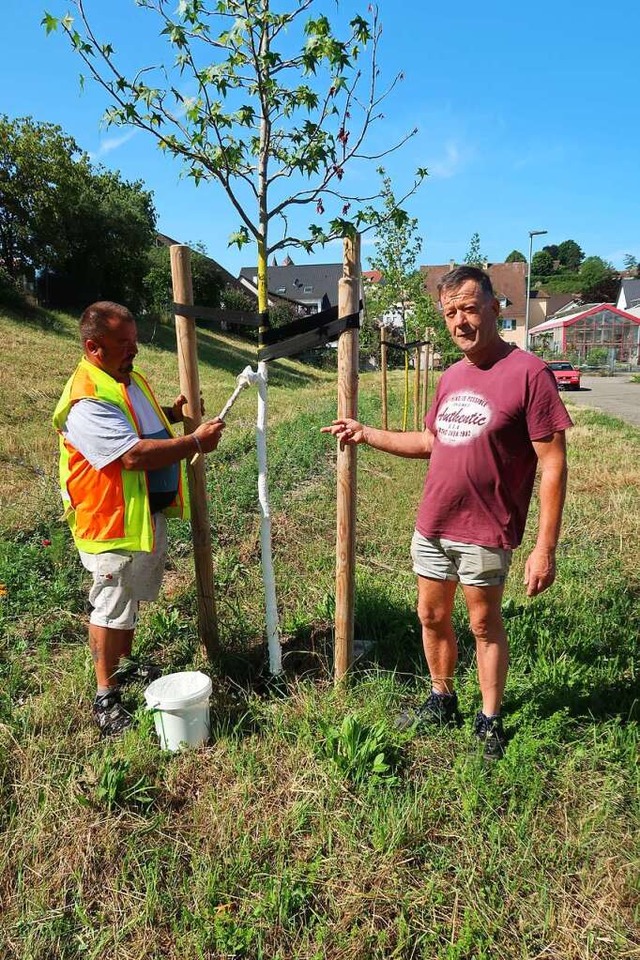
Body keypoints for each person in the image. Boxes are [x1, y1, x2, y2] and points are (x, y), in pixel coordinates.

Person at [322, 266, 572, 759]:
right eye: (450, 312)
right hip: (434, 522)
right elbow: (432, 442)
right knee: (431, 615)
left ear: (495, 308)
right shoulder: (452, 375)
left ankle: (490, 717)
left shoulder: (530, 375)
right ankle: (442, 697)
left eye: (469, 308)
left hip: (486, 527)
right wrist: (365, 432)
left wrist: (545, 548)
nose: (459, 321)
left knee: (483, 624)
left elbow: (553, 464)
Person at [53, 301, 225, 737]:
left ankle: (124, 667)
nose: (134, 351)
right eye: (123, 344)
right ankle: (105, 695)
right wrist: (194, 443)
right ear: (93, 347)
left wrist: (170, 414)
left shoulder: (126, 380)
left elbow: (139, 425)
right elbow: (130, 455)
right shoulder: (86, 400)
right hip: (110, 523)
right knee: (109, 606)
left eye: (134, 342)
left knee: (127, 601)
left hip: (140, 517)